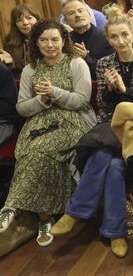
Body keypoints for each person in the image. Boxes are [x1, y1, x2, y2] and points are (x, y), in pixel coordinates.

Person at [50, 11, 133, 257]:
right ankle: (115, 232)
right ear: (108, 40)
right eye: (114, 37)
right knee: (113, 166)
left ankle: (75, 212)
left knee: (104, 154)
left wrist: (124, 89)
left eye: (124, 35)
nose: (120, 41)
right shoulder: (103, 63)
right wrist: (110, 90)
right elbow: (103, 104)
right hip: (110, 125)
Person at [0, 21, 96, 246]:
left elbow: (81, 101)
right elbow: (21, 107)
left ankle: (12, 206)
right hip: (40, 121)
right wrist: (41, 100)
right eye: (43, 40)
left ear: (64, 41)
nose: (50, 45)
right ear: (35, 42)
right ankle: (44, 216)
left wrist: (55, 93)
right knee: (28, 150)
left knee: (42, 150)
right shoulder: (30, 68)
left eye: (55, 39)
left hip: (73, 120)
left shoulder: (76, 63)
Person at [57, 0, 113, 78]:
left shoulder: (107, 37)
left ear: (89, 15)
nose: (77, 15)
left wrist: (86, 58)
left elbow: (109, 70)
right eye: (71, 13)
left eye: (80, 11)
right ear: (66, 21)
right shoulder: (65, 42)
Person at [1, 4, 41, 76]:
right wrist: (11, 63)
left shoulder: (48, 36)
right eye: (19, 20)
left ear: (37, 18)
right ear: (15, 25)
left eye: (29, 18)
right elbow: (11, 73)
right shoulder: (10, 41)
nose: (25, 23)